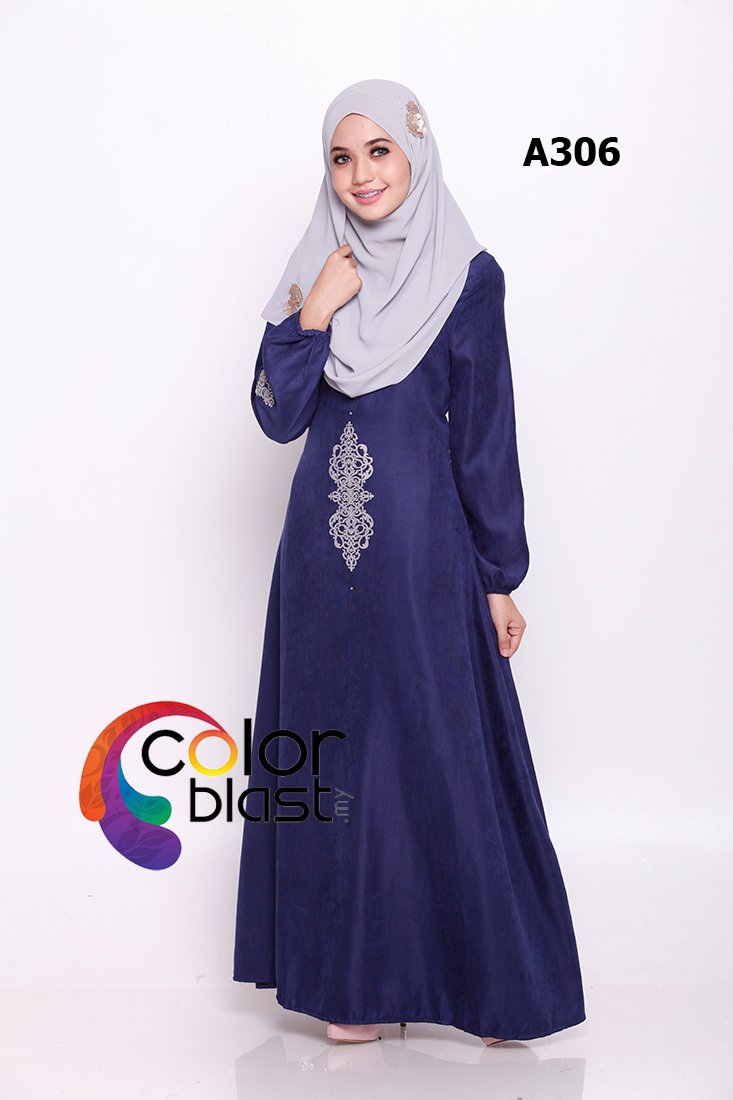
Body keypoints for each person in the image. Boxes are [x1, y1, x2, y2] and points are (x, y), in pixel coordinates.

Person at [233, 78, 586, 1046]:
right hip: (321, 561)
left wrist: (498, 575)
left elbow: (485, 434)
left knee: (443, 750)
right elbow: (275, 414)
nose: (361, 175)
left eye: (378, 150)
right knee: (340, 755)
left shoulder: (467, 277)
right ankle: (349, 984)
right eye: (341, 157)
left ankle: (492, 987)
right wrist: (315, 315)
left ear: (415, 152)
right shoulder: (316, 269)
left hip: (427, 554)